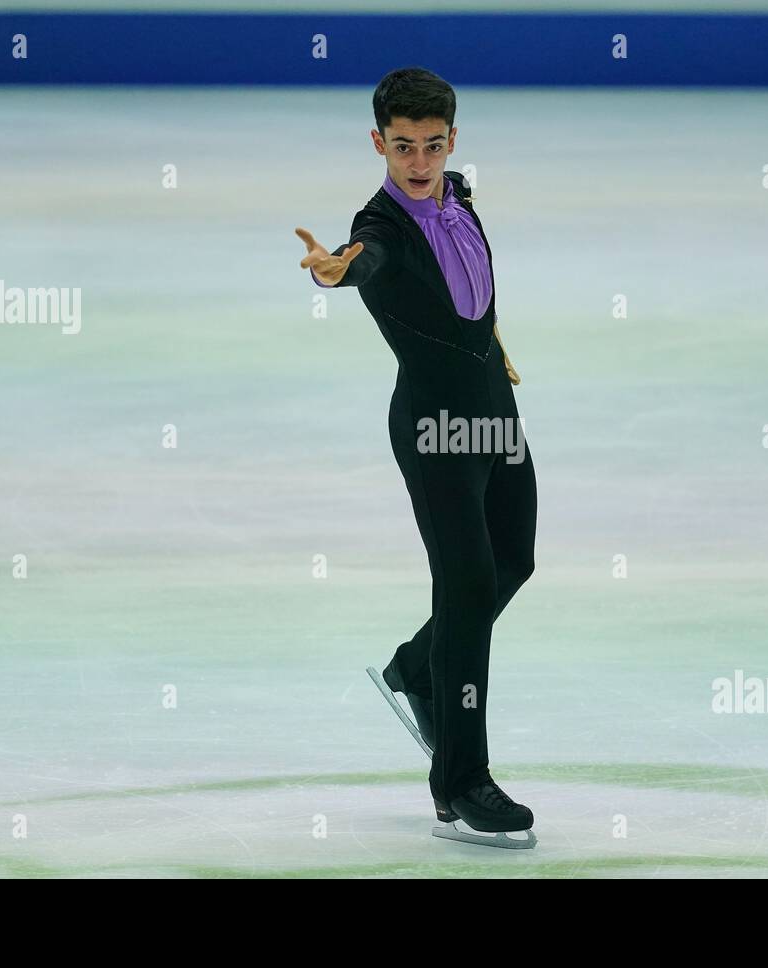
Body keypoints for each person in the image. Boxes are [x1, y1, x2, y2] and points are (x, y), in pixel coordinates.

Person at [294, 67, 537, 846]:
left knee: (513, 563)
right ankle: (460, 783)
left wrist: (490, 343)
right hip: (433, 428)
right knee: (467, 584)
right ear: (379, 144)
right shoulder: (383, 229)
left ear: (452, 142)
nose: (421, 162)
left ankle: (415, 665)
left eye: (432, 145)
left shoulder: (459, 192)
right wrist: (338, 268)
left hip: (495, 413)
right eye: (403, 147)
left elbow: (472, 286)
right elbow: (363, 258)